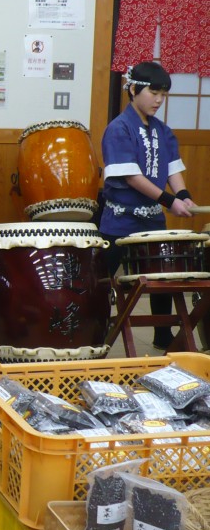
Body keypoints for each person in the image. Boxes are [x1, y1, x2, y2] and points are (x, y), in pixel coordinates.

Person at [99, 62, 196, 350]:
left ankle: (162, 334)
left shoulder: (163, 131)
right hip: (120, 220)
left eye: (163, 94)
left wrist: (183, 194)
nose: (158, 100)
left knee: (161, 275)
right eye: (153, 92)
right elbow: (131, 176)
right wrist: (169, 200)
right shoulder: (118, 129)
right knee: (102, 278)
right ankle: (94, 326)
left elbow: (171, 169)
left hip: (153, 220)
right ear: (133, 89)